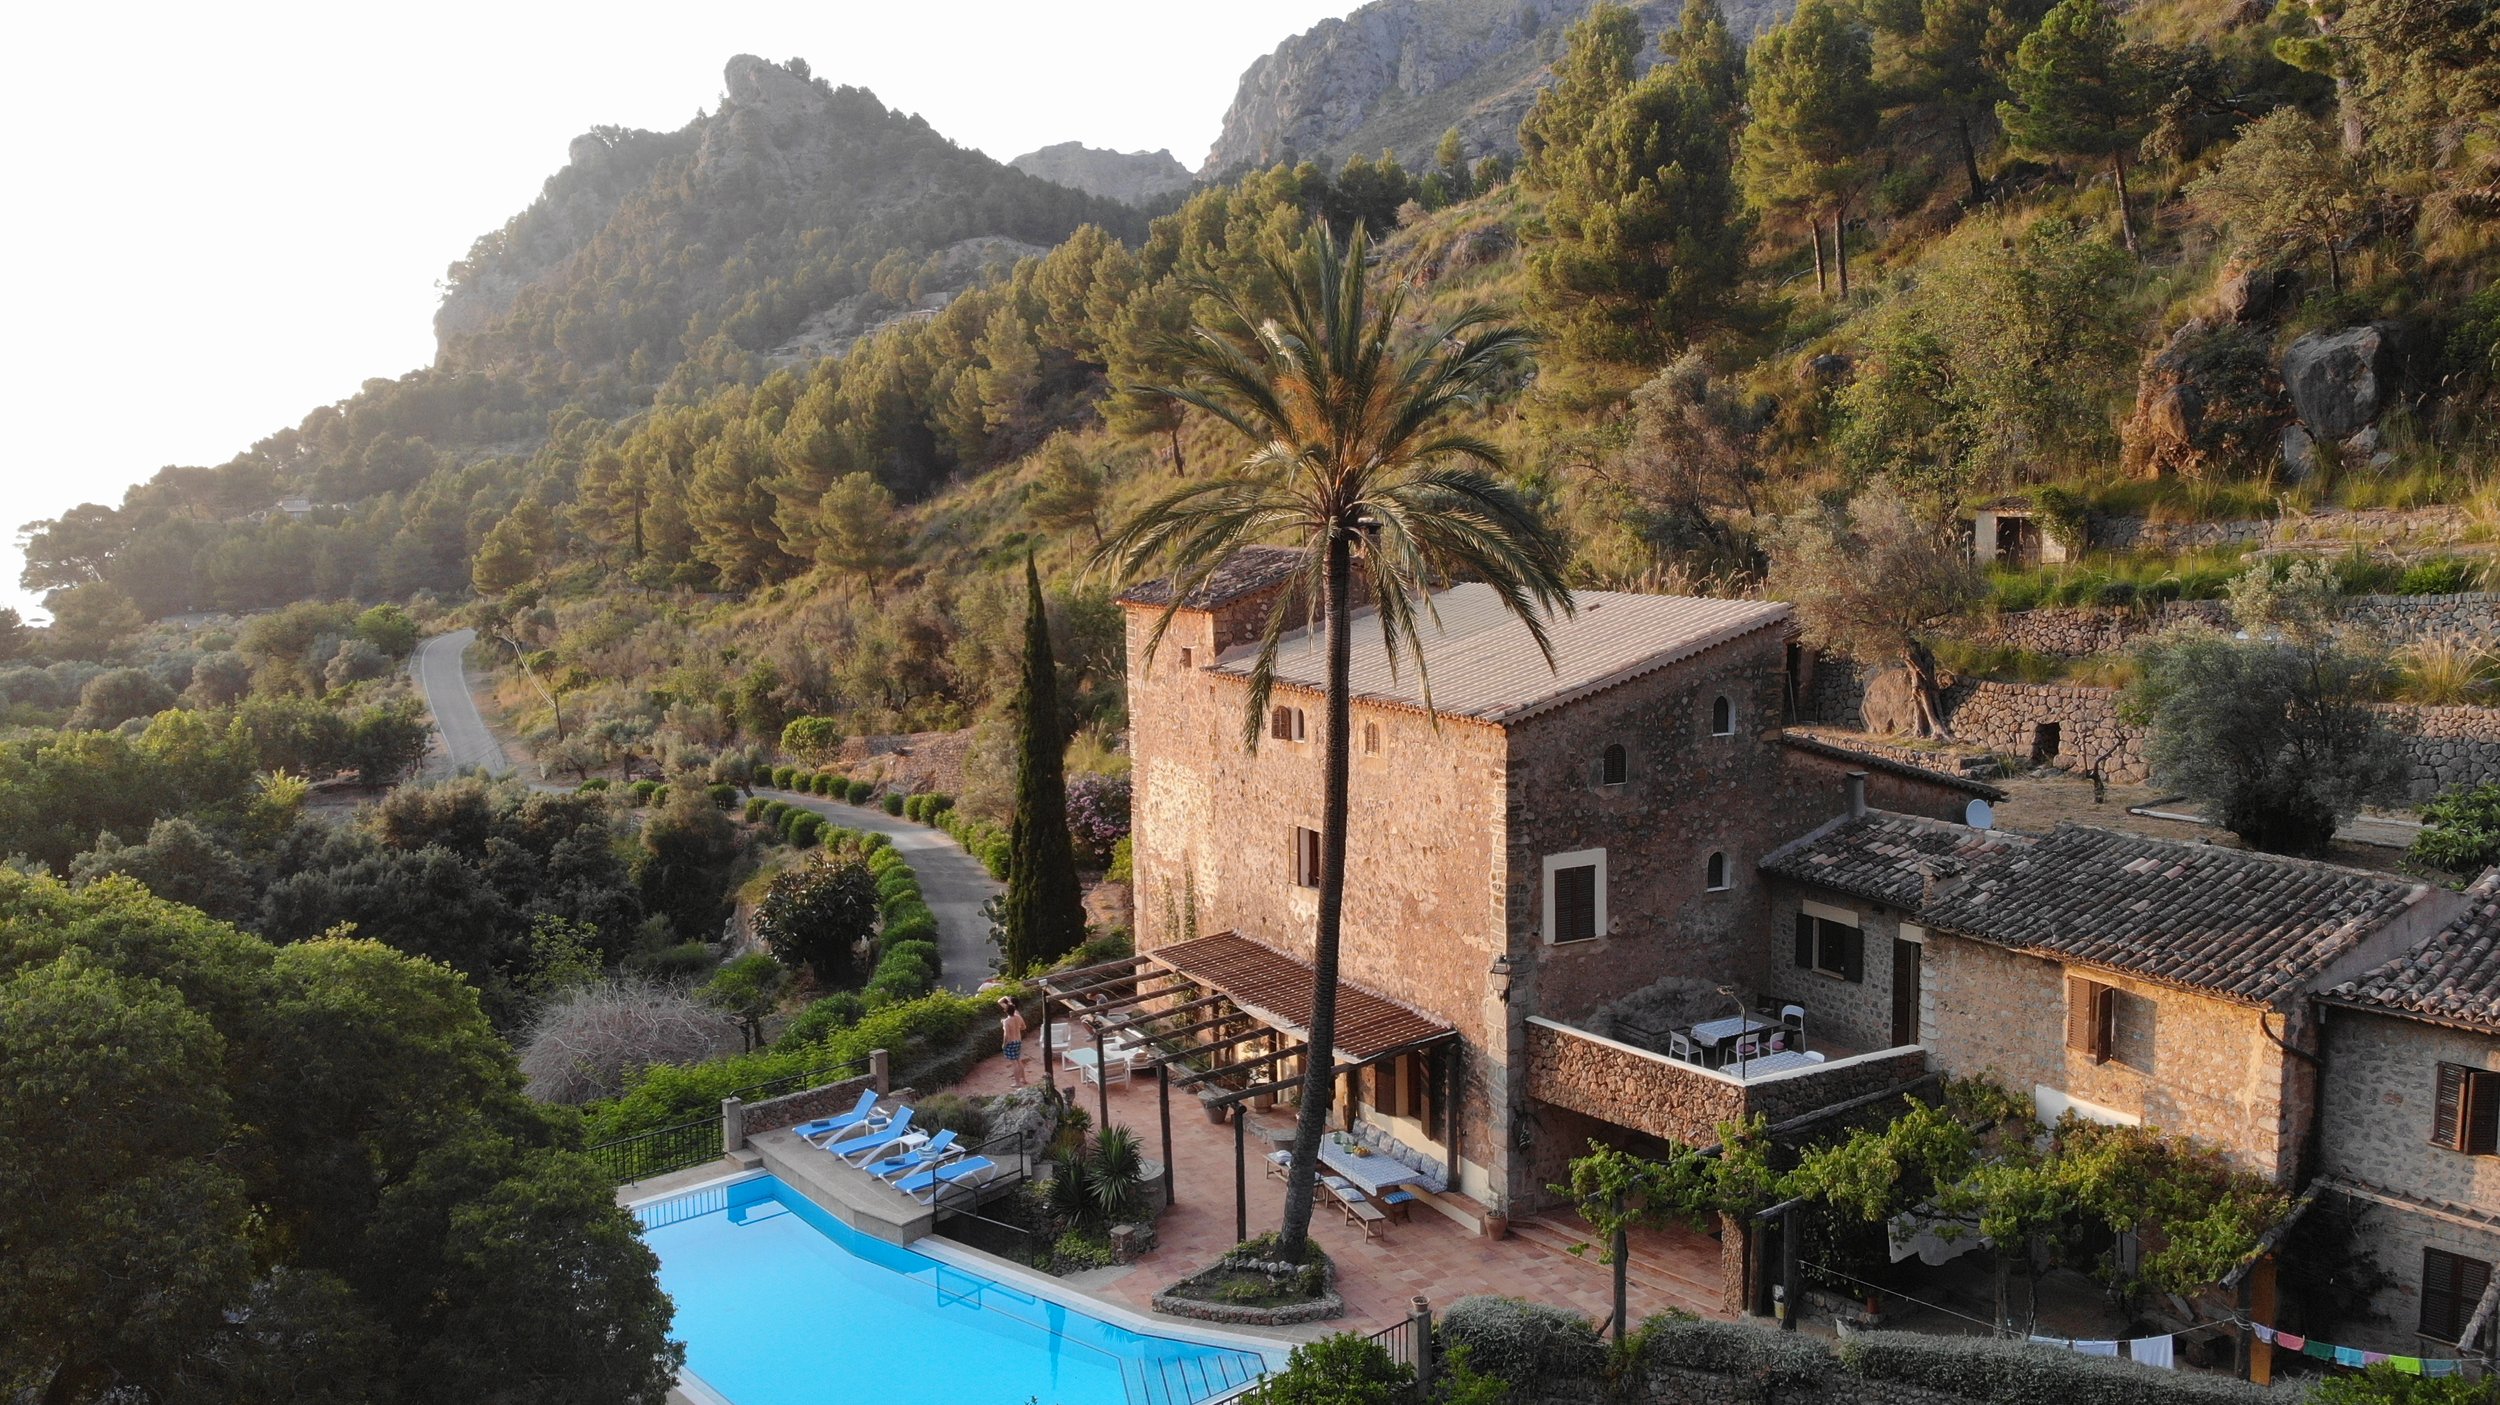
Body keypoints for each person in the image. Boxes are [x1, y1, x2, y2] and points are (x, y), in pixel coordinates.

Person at [998, 996, 1028, 1087]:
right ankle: (1023, 1079)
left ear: (1005, 1011)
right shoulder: (1018, 1017)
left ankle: (1017, 1083)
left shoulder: (1006, 1021)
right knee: (1018, 1060)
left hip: (1011, 1042)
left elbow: (1006, 1035)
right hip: (1018, 1041)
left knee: (1014, 1063)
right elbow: (1024, 1027)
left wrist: (1004, 1044)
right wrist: (1016, 1028)